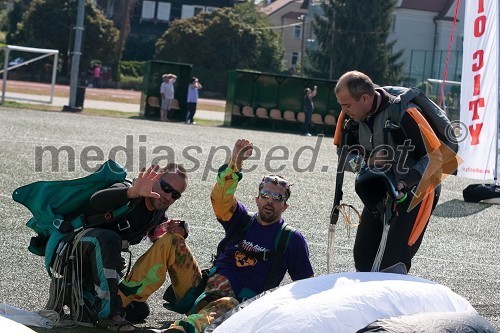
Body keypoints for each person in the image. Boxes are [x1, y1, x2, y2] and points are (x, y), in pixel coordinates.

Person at [119, 138, 314, 333]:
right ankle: (116, 303)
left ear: (285, 206)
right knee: (171, 240)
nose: (269, 201)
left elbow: (305, 288)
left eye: (277, 197)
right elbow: (220, 198)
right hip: (202, 293)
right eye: (265, 195)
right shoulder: (240, 220)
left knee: (229, 302)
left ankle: (182, 330)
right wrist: (235, 164)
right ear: (257, 199)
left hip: (239, 311)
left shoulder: (291, 239)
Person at [55, 163, 188, 332]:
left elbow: (158, 238)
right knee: (109, 239)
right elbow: (95, 200)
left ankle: (74, 292)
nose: (168, 196)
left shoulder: (158, 213)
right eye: (166, 187)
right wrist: (131, 193)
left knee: (139, 310)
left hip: (96, 263)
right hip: (71, 249)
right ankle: (109, 314)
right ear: (155, 179)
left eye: (175, 194)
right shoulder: (127, 189)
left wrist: (181, 231)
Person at [333, 70, 443, 274]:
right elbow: (343, 156)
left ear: (365, 98)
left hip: (418, 189)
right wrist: (366, 161)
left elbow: (437, 158)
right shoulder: (351, 118)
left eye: (347, 105)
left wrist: (405, 182)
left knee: (393, 261)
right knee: (363, 257)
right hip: (380, 187)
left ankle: (392, 303)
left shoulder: (404, 113)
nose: (343, 111)